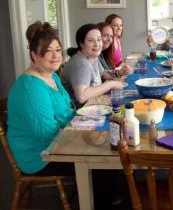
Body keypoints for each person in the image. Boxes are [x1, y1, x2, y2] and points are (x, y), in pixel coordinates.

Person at [7, 21, 75, 176]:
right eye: (47, 51)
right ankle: (98, 197)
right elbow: (46, 133)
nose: (55, 55)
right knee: (98, 160)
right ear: (34, 55)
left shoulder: (51, 76)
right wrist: (81, 135)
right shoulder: (31, 87)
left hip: (58, 142)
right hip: (40, 156)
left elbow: (66, 111)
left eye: (58, 50)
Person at [60, 23, 128, 108]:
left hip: (93, 106)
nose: (97, 44)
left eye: (99, 39)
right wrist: (111, 84)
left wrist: (119, 73)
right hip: (78, 114)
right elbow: (81, 96)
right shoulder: (81, 64)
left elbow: (103, 74)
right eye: (91, 40)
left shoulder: (93, 56)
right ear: (81, 43)